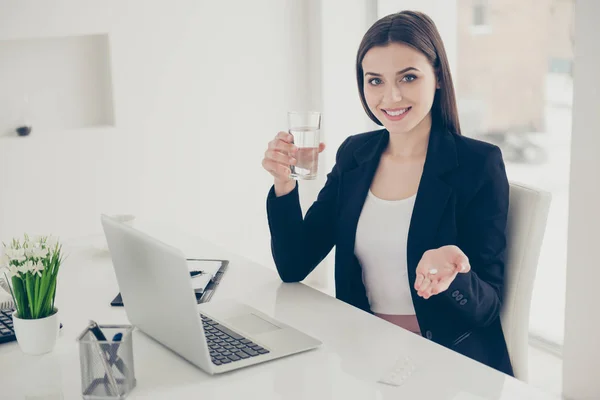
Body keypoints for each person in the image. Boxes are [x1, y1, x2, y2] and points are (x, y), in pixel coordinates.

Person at [261, 10, 513, 376]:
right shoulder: (355, 155)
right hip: (362, 353)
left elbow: (486, 309)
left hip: (446, 363)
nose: (390, 96)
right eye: (375, 80)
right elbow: (293, 265)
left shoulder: (478, 164)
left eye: (408, 77)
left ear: (438, 76)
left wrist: (454, 275)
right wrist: (284, 184)